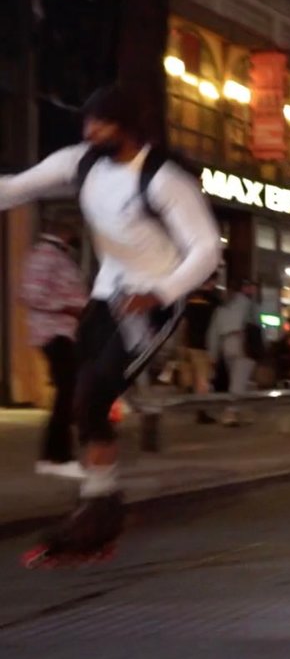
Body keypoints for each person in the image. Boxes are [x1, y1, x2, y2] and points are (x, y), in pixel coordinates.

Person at [0, 85, 221, 564]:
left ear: (127, 126)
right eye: (86, 123)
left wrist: (161, 292)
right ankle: (102, 504)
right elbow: (16, 188)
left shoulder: (163, 180)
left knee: (96, 391)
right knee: (81, 398)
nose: (89, 132)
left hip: (153, 302)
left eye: (100, 124)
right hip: (107, 297)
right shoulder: (80, 163)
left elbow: (207, 249)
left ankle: (99, 507)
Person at [21, 218, 89, 478]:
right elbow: (30, 294)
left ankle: (56, 454)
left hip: (64, 332)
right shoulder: (45, 256)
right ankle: (57, 456)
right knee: (66, 392)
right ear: (65, 231)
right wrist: (68, 306)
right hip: (53, 333)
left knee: (68, 392)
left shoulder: (58, 256)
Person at [207, 278, 261, 425]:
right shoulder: (249, 304)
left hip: (226, 344)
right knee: (239, 380)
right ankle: (230, 413)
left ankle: (241, 410)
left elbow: (213, 332)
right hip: (243, 343)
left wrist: (213, 354)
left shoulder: (221, 308)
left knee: (237, 378)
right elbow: (257, 325)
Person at [180, 271, 222, 420]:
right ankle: (202, 411)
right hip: (203, 345)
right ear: (212, 281)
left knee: (193, 377)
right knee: (203, 380)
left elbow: (183, 322)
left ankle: (195, 404)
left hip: (189, 343)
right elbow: (217, 324)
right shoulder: (214, 301)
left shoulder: (190, 297)